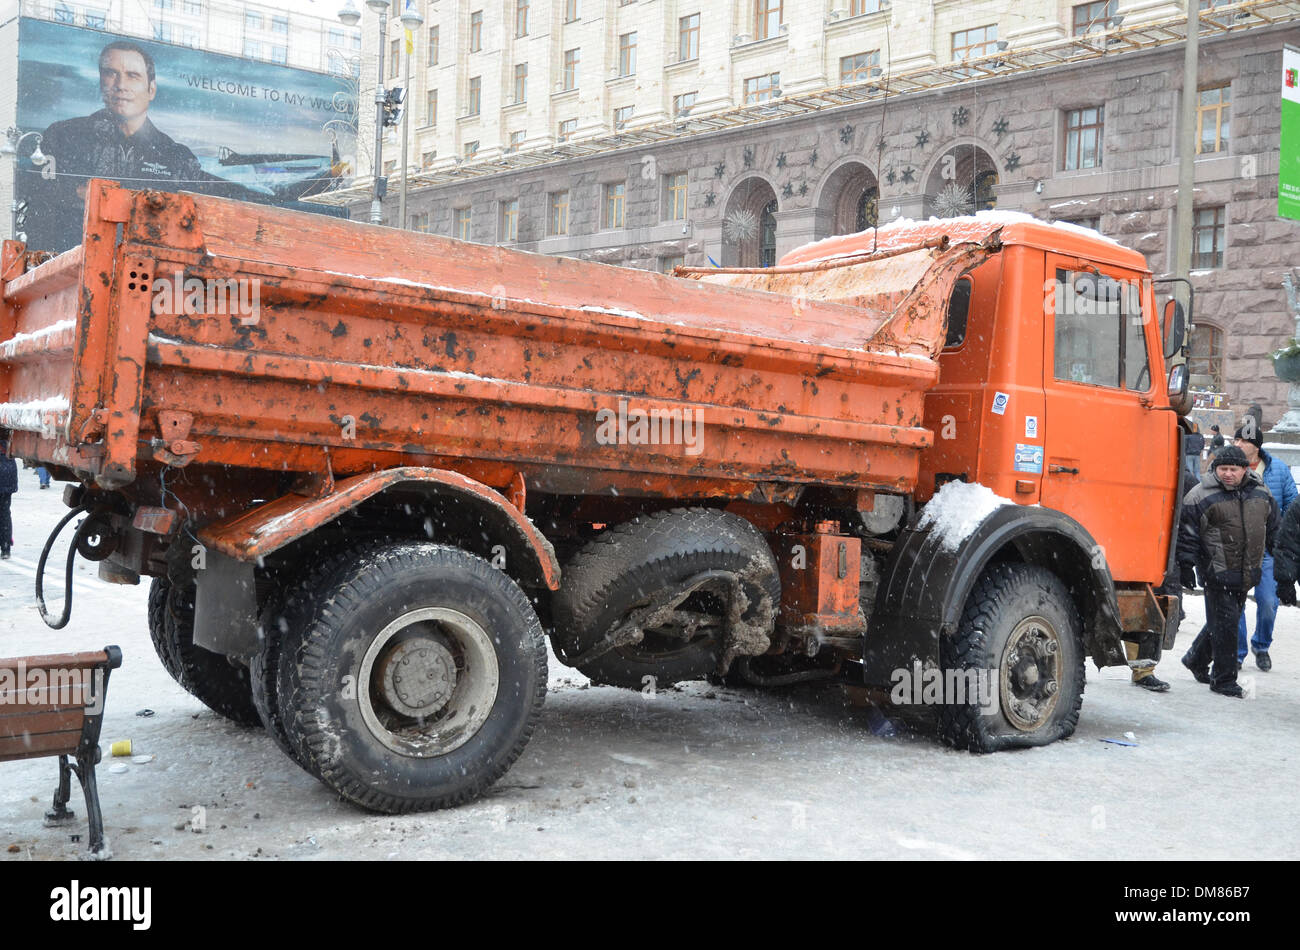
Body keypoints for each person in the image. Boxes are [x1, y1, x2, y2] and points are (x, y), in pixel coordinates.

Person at [23, 41, 206, 252]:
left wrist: (92, 197)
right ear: (101, 82)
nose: (121, 85)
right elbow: (38, 201)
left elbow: (189, 229)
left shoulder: (177, 158)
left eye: (133, 75)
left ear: (151, 89)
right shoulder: (64, 136)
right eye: (111, 73)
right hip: (69, 271)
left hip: (144, 276)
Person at [1179, 445, 1279, 697]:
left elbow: (1274, 527)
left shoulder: (1261, 492)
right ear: (1215, 469)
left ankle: (1196, 659)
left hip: (1247, 571)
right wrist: (1186, 565)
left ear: (1245, 469)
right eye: (1222, 469)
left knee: (1226, 621)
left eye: (1233, 469)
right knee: (1226, 624)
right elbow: (1187, 534)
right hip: (1216, 570)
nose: (1227, 474)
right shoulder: (1200, 495)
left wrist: (1281, 559)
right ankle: (1223, 679)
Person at [1232, 424, 1295, 671]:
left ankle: (1262, 645)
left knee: (1269, 601)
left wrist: (1282, 532)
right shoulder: (1229, 467)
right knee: (1235, 601)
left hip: (1269, 548)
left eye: (1243, 441)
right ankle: (1237, 653)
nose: (1237, 445)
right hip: (1237, 548)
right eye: (1236, 440)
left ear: (1256, 446)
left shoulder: (1277, 469)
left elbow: (1292, 502)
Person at [0, 438, 15, 559]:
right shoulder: (7, 429)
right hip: (7, 473)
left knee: (4, 513)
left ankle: (5, 544)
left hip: (4, 474)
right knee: (4, 513)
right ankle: (5, 548)